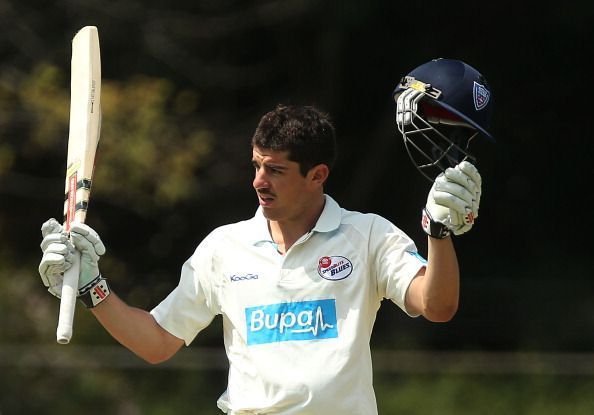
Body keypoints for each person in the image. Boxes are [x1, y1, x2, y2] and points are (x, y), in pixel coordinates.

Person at [39, 60, 492, 414]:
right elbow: (157, 343)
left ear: (317, 175)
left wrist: (438, 233)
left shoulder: (367, 235)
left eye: (275, 170)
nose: (258, 181)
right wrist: (90, 288)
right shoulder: (223, 248)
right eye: (256, 165)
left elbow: (438, 305)